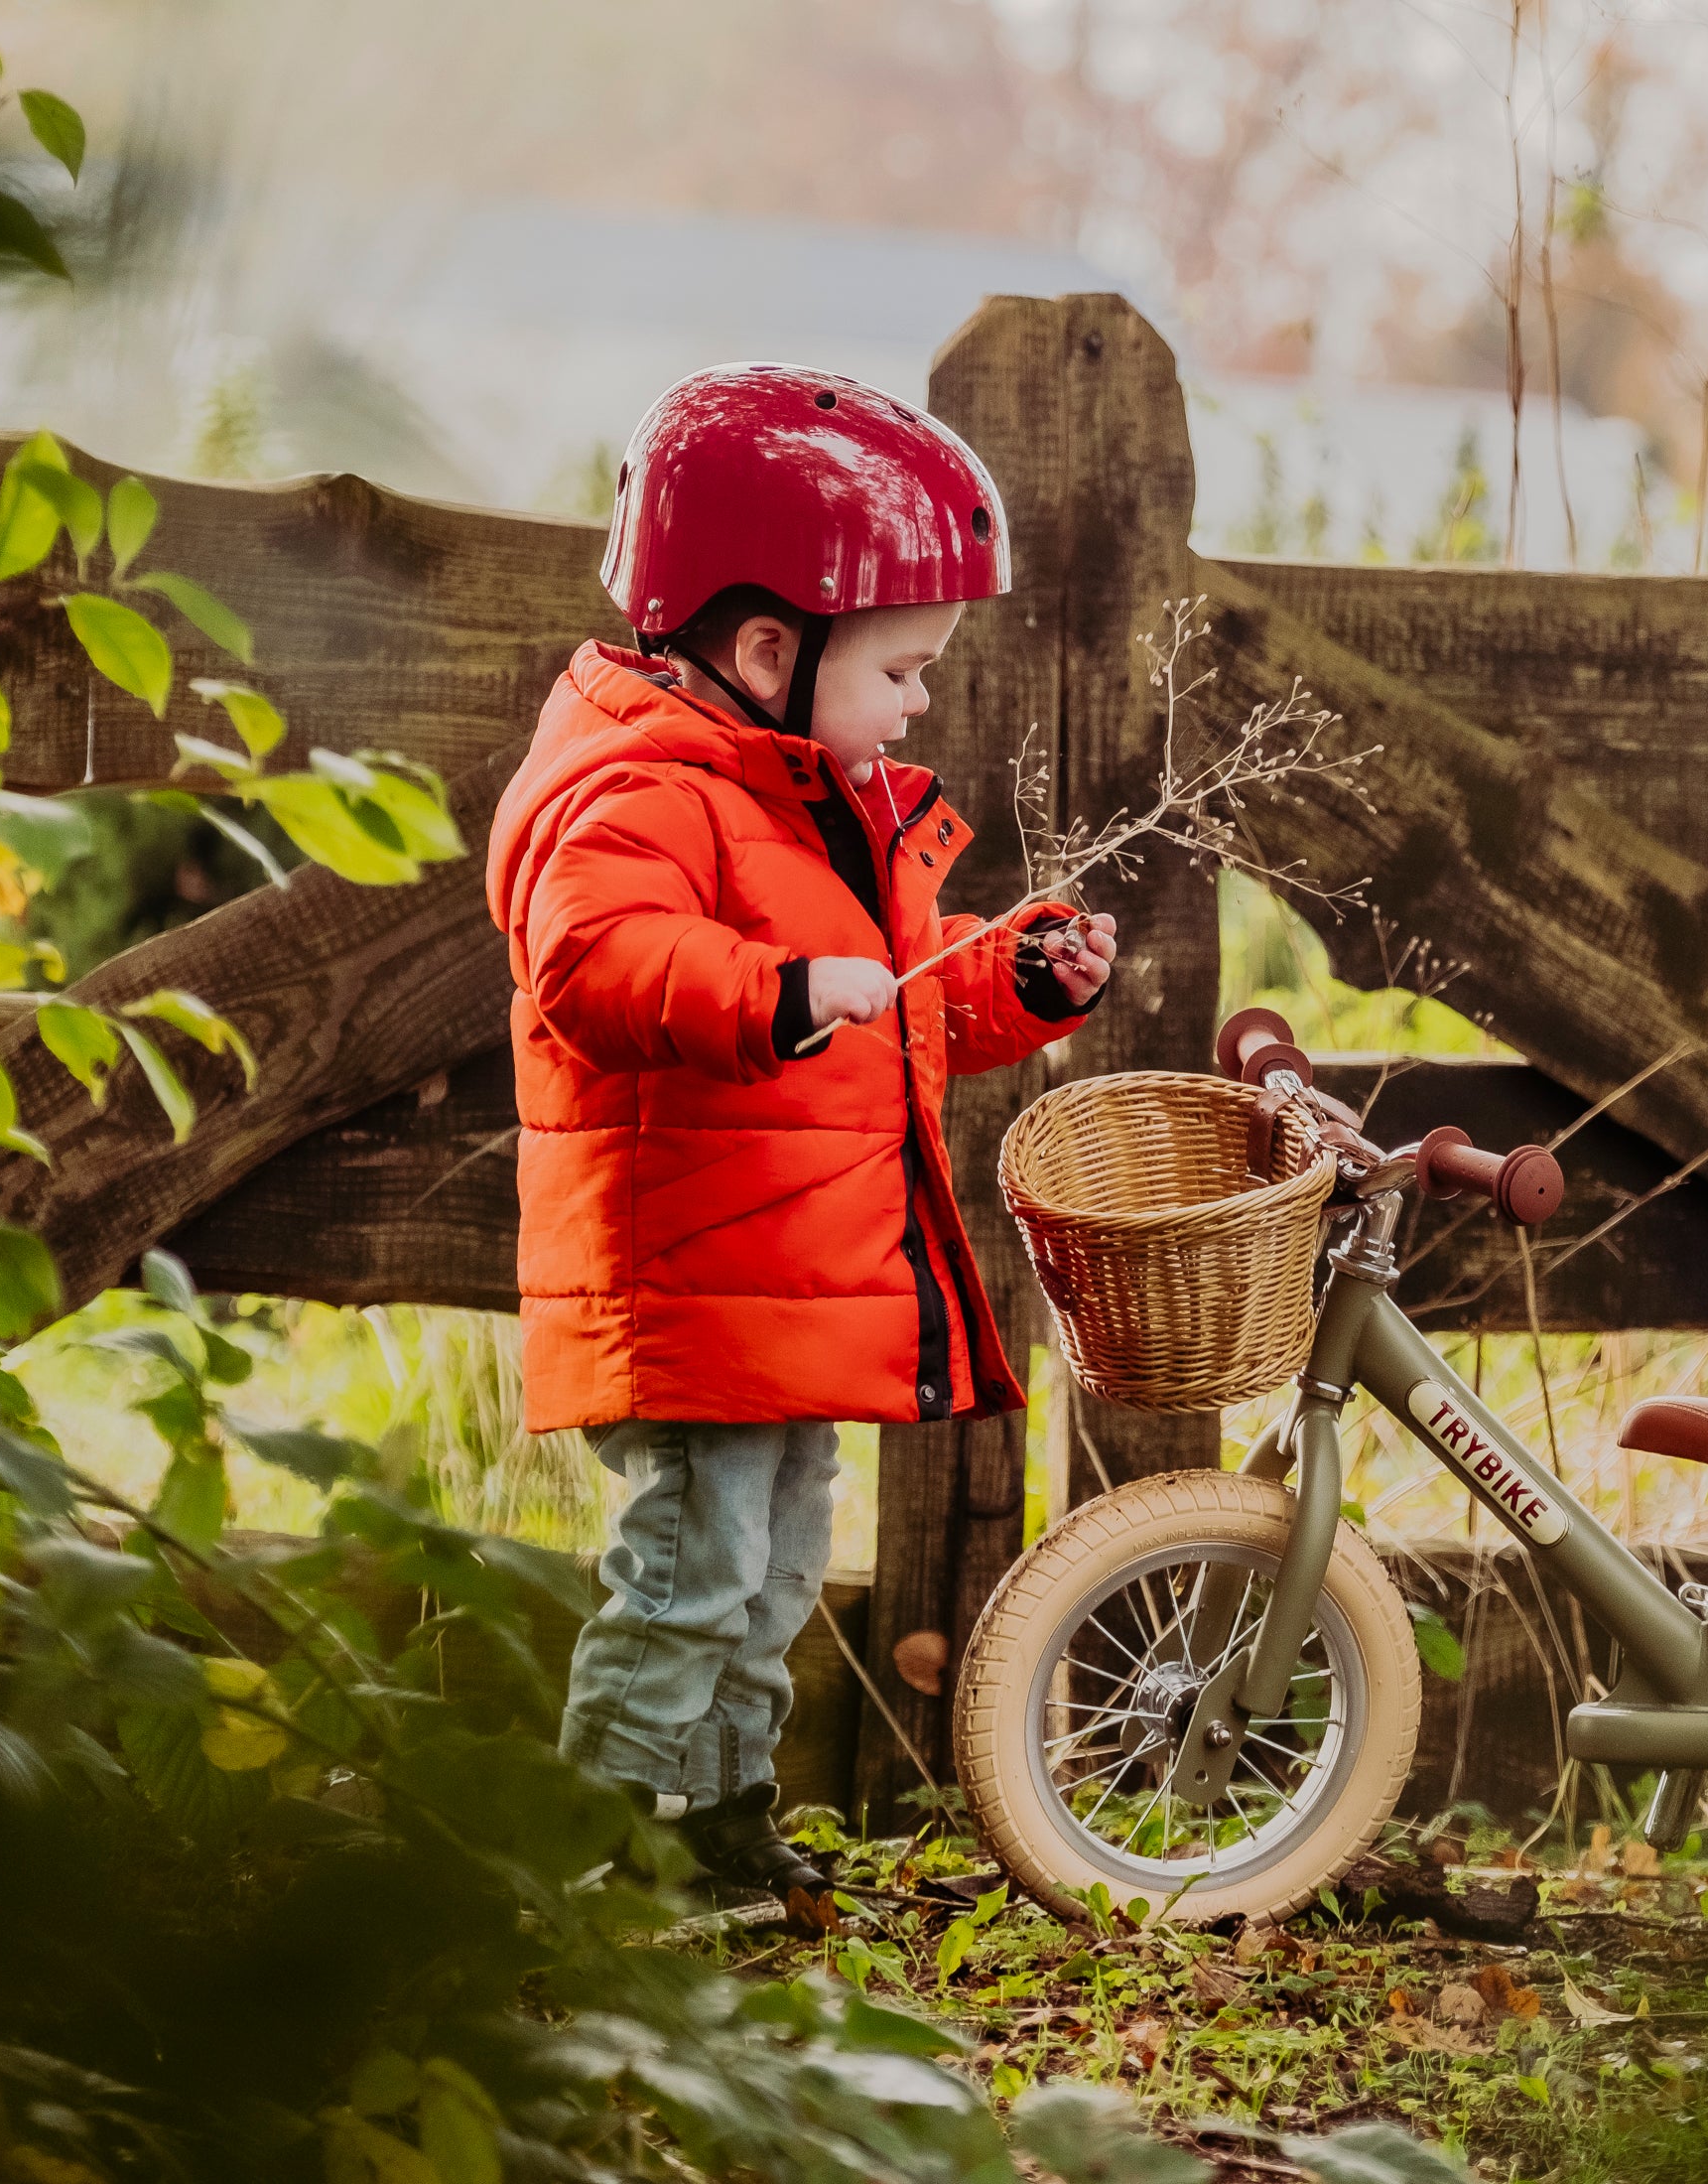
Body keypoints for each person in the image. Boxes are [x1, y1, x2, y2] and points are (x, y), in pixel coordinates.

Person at [485, 365, 1119, 1917]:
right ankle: (602, 1846)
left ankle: (718, 1828)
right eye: (901, 670)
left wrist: (1009, 978)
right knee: (686, 1580)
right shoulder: (637, 792)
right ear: (768, 645)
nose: (918, 705)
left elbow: (888, 1010)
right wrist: (771, 991)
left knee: (764, 1587)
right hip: (696, 1289)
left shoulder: (808, 797)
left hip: (788, 1292)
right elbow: (598, 967)